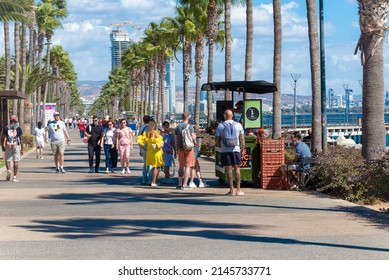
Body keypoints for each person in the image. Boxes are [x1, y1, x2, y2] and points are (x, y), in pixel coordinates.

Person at [215, 109, 245, 196]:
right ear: (232, 115)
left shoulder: (220, 126)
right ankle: (238, 190)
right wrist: (242, 150)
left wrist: (221, 147)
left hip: (225, 151)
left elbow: (217, 141)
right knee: (237, 169)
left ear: (224, 116)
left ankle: (231, 190)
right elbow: (242, 139)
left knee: (228, 170)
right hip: (236, 150)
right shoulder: (238, 125)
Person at [137, 120, 164, 187]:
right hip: (156, 152)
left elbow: (140, 141)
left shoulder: (146, 133)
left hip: (149, 151)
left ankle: (147, 179)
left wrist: (143, 148)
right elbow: (160, 142)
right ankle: (153, 181)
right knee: (155, 167)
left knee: (148, 165)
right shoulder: (155, 133)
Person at [175, 112, 196, 190]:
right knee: (188, 166)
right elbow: (193, 137)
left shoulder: (178, 127)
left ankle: (180, 184)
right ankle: (185, 184)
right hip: (189, 148)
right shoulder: (190, 127)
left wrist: (176, 148)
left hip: (180, 148)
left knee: (181, 166)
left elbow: (176, 139)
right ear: (188, 117)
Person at [2, 115, 24, 182]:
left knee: (8, 160)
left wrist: (3, 146)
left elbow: (3, 137)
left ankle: (8, 170)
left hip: (8, 146)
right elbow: (21, 139)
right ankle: (14, 177)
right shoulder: (18, 128)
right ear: (16, 120)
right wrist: (22, 148)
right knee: (16, 161)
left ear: (10, 120)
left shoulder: (6, 128)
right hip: (16, 146)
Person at [138, 115, 151, 184]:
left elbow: (139, 139)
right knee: (150, 163)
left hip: (143, 147)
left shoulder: (141, 128)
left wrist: (140, 149)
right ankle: (149, 179)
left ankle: (144, 179)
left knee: (145, 163)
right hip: (149, 148)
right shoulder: (149, 128)